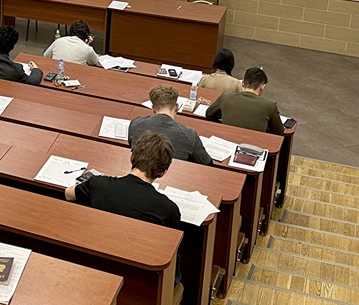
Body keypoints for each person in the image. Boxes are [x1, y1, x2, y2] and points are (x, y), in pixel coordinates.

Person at [66, 130, 182, 283]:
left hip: (93, 263)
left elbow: (68, 194)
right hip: (139, 278)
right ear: (163, 172)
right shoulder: (168, 209)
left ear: (132, 157)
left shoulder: (99, 185)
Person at [129, 85, 212, 165]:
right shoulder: (189, 135)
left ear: (153, 108)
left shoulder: (135, 123)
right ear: (176, 107)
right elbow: (206, 163)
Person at [205, 67, 284, 134]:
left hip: (226, 140)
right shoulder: (270, 106)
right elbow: (279, 131)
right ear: (262, 87)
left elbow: (209, 114)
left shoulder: (225, 97)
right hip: (253, 145)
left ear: (242, 83)